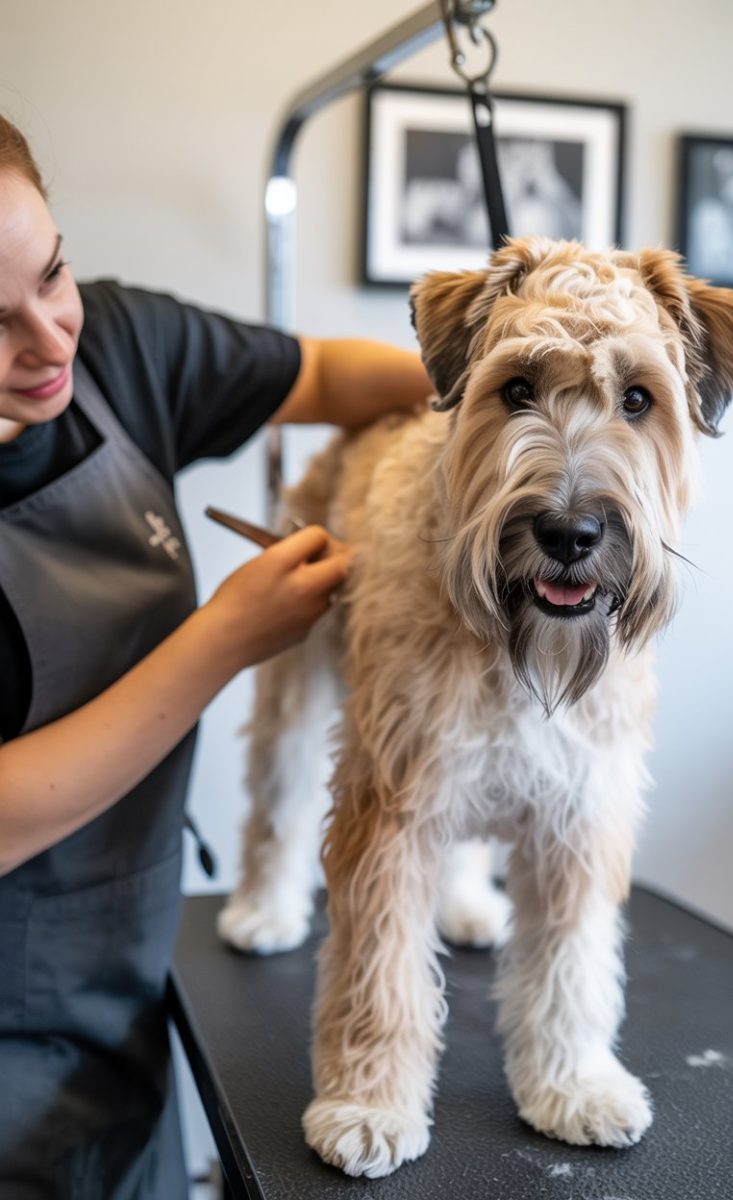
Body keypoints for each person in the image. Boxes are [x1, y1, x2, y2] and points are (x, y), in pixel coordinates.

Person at [0, 114, 431, 1198]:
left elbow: (332, 373)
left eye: (52, 275)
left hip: (133, 977)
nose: (51, 343)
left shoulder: (122, 350)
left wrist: (477, 411)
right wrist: (226, 638)